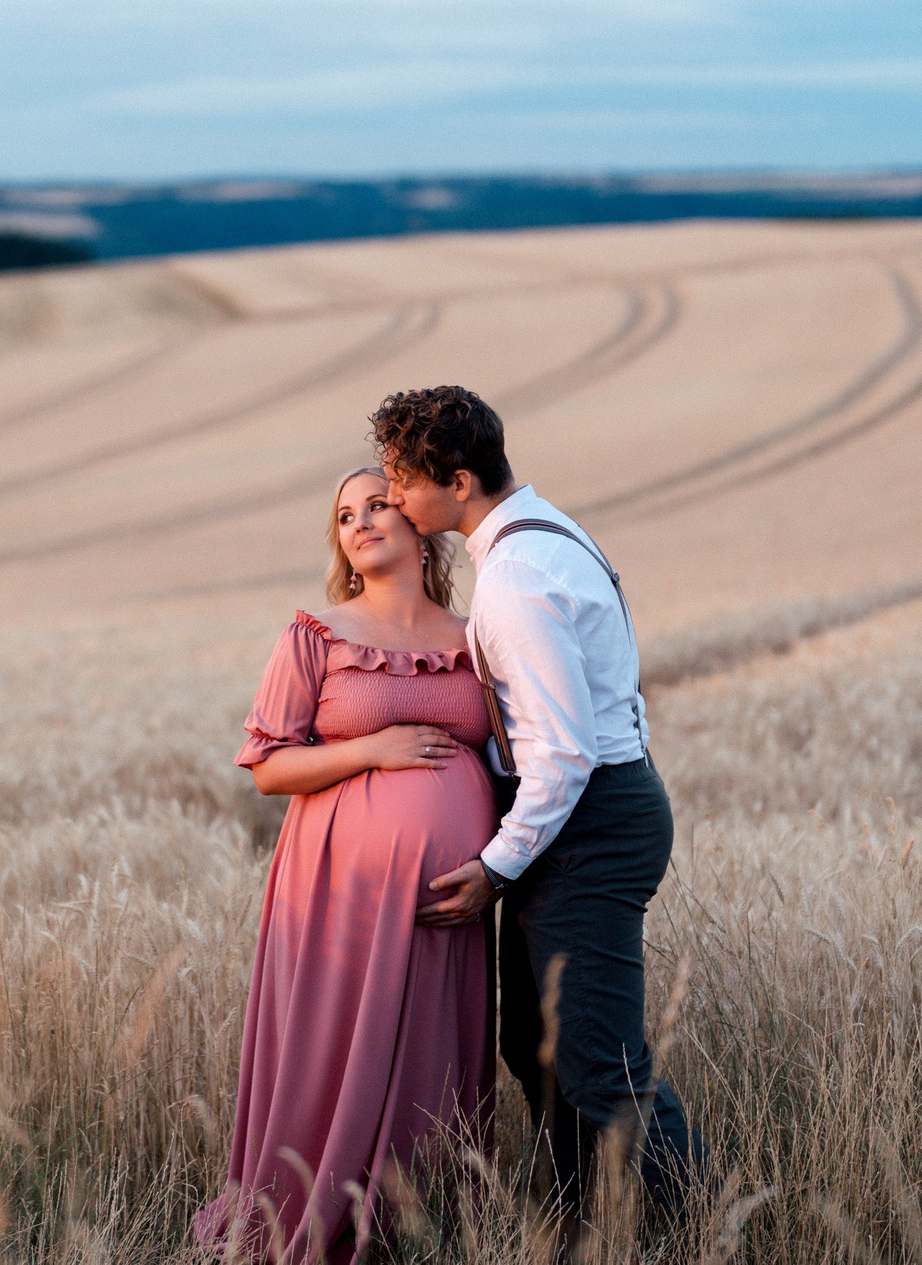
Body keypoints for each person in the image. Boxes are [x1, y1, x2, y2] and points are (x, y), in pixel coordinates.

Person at [374, 385, 706, 1226]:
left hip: (586, 823)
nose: (391, 498)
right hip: (586, 815)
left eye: (401, 480)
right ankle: (578, 1228)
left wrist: (494, 866)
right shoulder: (541, 530)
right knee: (537, 1048)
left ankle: (715, 1225)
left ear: (455, 482)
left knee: (600, 1066)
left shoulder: (516, 580)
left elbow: (562, 754)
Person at [195, 468, 499, 1263]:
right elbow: (267, 767)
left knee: (430, 1058)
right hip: (341, 893)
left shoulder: (475, 637)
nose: (360, 520)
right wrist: (374, 749)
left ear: (417, 520)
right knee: (336, 1054)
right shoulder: (315, 633)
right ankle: (314, 1213)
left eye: (376, 504)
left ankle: (414, 1226)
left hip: (450, 903)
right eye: (344, 515)